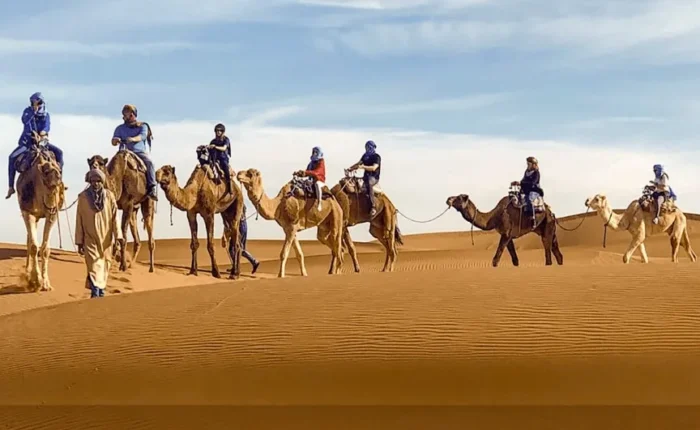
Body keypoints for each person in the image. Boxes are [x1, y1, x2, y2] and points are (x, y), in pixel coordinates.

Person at [75, 169, 123, 298]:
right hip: (90, 238)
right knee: (94, 266)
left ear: (102, 182)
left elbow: (115, 217)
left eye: (98, 181)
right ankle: (95, 293)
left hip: (107, 239)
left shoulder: (109, 196)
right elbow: (79, 219)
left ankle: (100, 292)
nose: (95, 184)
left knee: (105, 265)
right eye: (93, 181)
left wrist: (118, 236)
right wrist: (79, 241)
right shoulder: (83, 197)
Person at [6, 92, 64, 199]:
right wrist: (33, 112)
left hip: (42, 143)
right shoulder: (28, 112)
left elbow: (47, 127)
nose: (36, 104)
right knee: (11, 157)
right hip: (27, 143)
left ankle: (59, 181)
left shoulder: (46, 115)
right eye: (33, 102)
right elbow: (25, 121)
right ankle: (10, 187)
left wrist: (42, 134)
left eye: (38, 102)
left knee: (59, 153)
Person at [111, 104, 157, 200]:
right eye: (124, 114)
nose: (124, 116)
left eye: (126, 114)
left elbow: (142, 136)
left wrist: (133, 139)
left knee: (150, 163)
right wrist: (116, 140)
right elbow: (113, 141)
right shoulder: (120, 128)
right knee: (111, 165)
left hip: (138, 152)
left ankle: (152, 187)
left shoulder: (143, 126)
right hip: (122, 153)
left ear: (132, 115)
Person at [346, 140, 381, 218]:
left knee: (369, 183)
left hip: (373, 177)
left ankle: (373, 206)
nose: (367, 148)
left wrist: (363, 167)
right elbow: (358, 163)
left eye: (368, 147)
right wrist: (350, 168)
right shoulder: (365, 156)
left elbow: (374, 168)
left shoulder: (376, 157)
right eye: (366, 147)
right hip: (365, 177)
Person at [511, 156, 543, 227]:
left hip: (534, 190)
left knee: (529, 199)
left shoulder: (536, 173)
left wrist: (522, 183)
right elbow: (523, 180)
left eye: (529, 164)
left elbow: (533, 183)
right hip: (526, 190)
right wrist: (518, 183)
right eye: (527, 164)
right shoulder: (526, 172)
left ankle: (533, 219)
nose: (527, 165)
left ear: (533, 164)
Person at [295, 146, 326, 211]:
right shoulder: (311, 163)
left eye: (316, 152)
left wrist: (305, 172)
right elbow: (307, 172)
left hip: (320, 181)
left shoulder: (321, 163)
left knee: (317, 184)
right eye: (314, 152)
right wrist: (299, 173)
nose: (314, 154)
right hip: (311, 181)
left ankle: (319, 203)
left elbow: (316, 172)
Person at [208, 123, 232, 194]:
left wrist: (215, 147)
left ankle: (229, 186)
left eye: (220, 131)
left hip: (223, 157)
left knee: (225, 167)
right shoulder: (213, 141)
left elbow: (224, 148)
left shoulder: (226, 140)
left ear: (223, 132)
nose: (218, 132)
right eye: (217, 131)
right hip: (214, 158)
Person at [239, 205, 260, 274]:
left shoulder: (237, 202)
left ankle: (254, 261)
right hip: (243, 225)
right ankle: (235, 266)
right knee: (240, 248)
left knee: (234, 248)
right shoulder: (242, 203)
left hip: (240, 226)